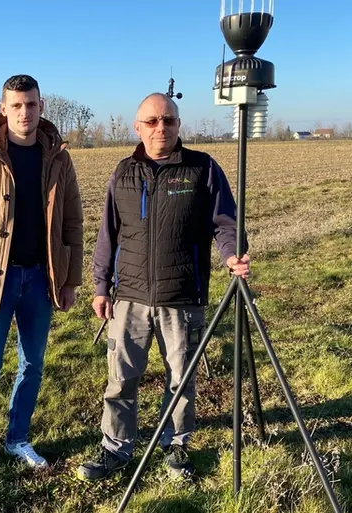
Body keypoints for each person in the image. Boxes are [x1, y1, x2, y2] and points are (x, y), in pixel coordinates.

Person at [76, 93, 250, 481]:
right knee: (120, 379)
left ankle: (176, 444)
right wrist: (101, 286)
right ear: (137, 127)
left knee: (181, 378)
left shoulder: (201, 168)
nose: (161, 128)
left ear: (178, 125)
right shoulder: (123, 173)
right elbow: (109, 233)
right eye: (152, 121)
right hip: (130, 299)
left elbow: (225, 223)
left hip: (182, 297)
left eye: (168, 120)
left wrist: (232, 254)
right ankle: (116, 447)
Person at [0, 74, 84, 475]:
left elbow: (73, 221)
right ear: (3, 108)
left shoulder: (58, 156)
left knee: (33, 365)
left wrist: (70, 279)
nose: (25, 112)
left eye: (32, 104)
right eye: (17, 105)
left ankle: (18, 438)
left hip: (42, 278)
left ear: (41, 106)